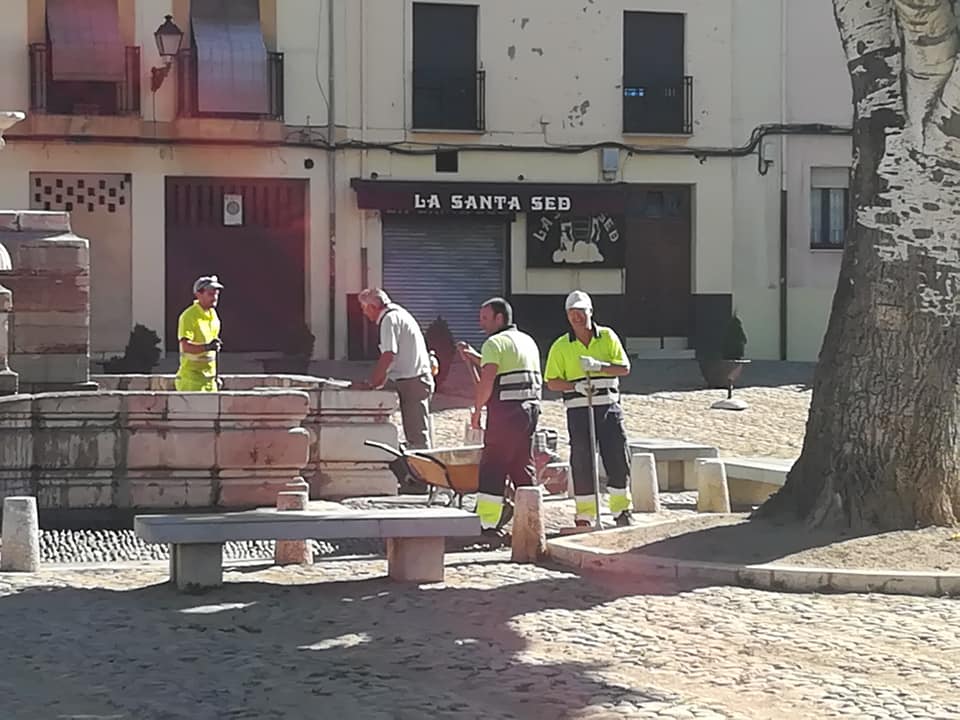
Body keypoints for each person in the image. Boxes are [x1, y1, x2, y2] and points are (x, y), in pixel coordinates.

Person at [544, 290, 633, 528]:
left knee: (616, 455)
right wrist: (575, 385)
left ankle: (621, 509)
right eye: (572, 313)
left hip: (607, 406)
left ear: (590, 312)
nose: (577, 318)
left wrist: (599, 366)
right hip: (578, 408)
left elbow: (624, 368)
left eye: (581, 312)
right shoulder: (561, 346)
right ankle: (585, 514)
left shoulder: (607, 337)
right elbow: (552, 381)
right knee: (582, 459)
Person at [458, 298, 542, 537]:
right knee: (521, 466)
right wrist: (475, 357)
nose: (480, 323)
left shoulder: (494, 343)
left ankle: (487, 525)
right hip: (530, 413)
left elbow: (487, 381)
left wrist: (476, 412)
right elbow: (508, 369)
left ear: (499, 318)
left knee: (492, 468)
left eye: (485, 318)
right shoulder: (527, 340)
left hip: (505, 414)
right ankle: (532, 521)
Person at [354, 288, 434, 449]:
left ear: (373, 307)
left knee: (418, 439)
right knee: (415, 434)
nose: (364, 313)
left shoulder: (389, 319)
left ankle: (423, 470)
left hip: (413, 381)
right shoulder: (398, 313)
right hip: (411, 378)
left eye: (364, 308)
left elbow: (389, 355)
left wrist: (372, 383)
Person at [175, 275, 224, 392]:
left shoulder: (213, 316)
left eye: (216, 294)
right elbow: (185, 347)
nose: (215, 298)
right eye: (210, 294)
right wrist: (207, 347)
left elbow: (212, 353)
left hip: (210, 381)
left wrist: (215, 377)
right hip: (191, 382)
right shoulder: (189, 316)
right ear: (198, 294)